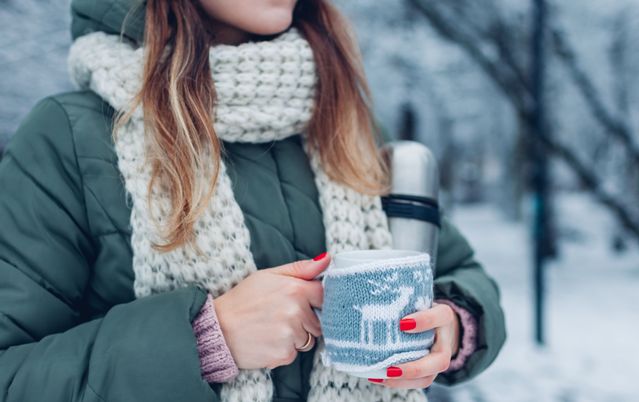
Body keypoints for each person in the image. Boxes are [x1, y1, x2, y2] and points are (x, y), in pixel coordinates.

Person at [0, 0, 506, 401]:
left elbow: (461, 272)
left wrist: (451, 324)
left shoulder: (344, 121)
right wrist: (203, 343)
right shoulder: (70, 136)